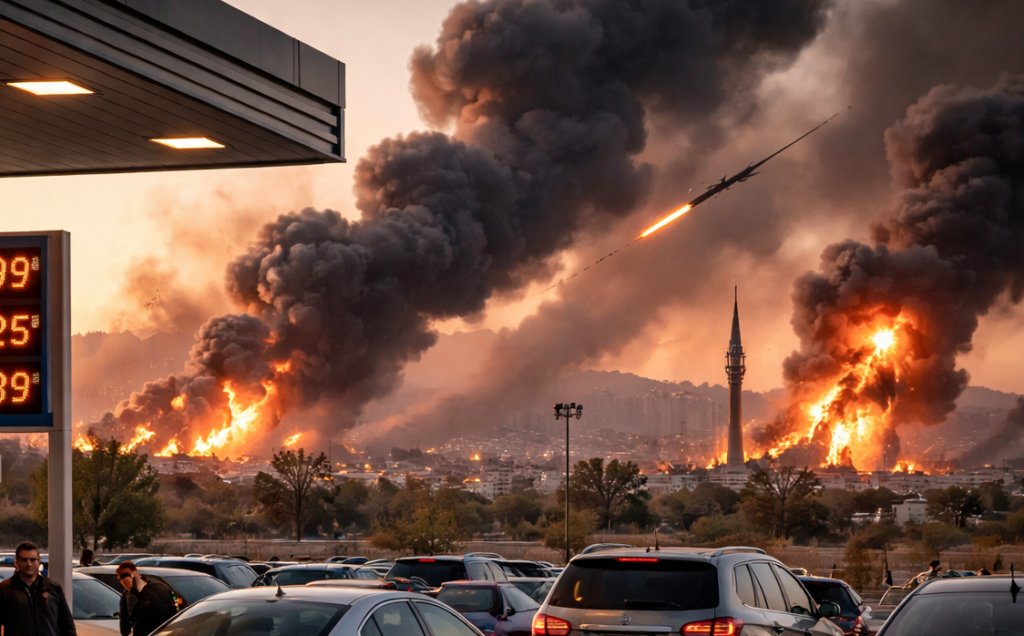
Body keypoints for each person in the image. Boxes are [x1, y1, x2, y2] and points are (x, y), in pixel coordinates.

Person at [0, 541, 77, 636]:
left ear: (38, 561)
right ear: (16, 562)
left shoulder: (53, 588)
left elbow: (67, 624)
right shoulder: (5, 589)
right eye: (24, 560)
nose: (29, 564)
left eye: (33, 560)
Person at [117, 561, 177, 636]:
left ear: (135, 574)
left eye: (126, 576)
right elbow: (124, 623)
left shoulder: (157, 589)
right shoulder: (127, 595)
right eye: (121, 579)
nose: (124, 582)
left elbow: (163, 613)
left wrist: (140, 589)